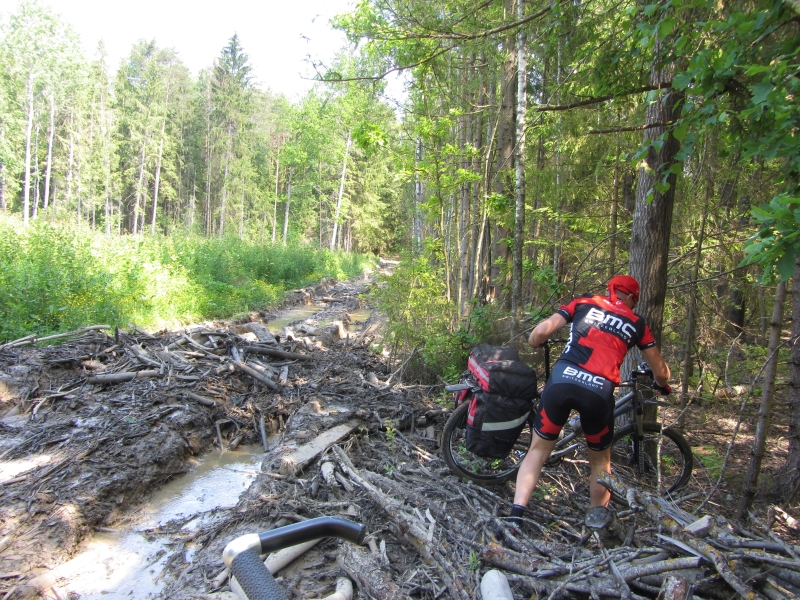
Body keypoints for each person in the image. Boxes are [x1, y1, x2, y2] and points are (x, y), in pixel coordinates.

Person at [509, 275, 671, 526]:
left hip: (563, 380)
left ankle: (516, 514)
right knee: (600, 463)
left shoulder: (584, 302)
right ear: (631, 298)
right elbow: (661, 373)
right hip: (598, 391)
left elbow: (541, 332)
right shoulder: (637, 323)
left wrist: (534, 342)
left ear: (610, 290)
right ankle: (597, 527)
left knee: (537, 451)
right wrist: (662, 385)